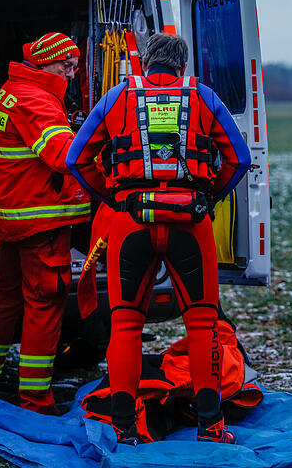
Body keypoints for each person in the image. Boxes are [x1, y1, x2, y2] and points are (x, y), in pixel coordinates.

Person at [66, 33, 251, 445]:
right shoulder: (203, 96)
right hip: (191, 223)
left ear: (146, 63)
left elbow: (76, 158)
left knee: (126, 324)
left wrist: (113, 198)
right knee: (203, 324)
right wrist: (208, 197)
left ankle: (124, 428)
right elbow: (239, 157)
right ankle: (211, 427)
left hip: (131, 222)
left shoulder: (116, 96)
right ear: (182, 67)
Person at [0, 33, 90, 413]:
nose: (71, 74)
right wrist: (101, 143)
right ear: (46, 64)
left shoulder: (10, 92)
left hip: (11, 220)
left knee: (4, 299)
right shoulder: (38, 102)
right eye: (66, 66)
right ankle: (36, 400)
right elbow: (65, 157)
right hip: (41, 222)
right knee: (44, 305)